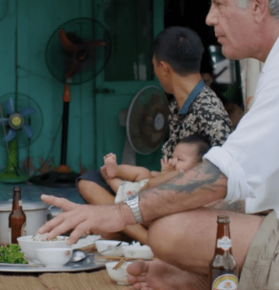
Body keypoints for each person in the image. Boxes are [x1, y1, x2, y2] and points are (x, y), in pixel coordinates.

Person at [39, 0, 279, 290]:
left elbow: (222, 176)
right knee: (173, 214)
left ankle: (211, 280)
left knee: (171, 231)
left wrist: (118, 213)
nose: (209, 18)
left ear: (258, 5)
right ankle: (211, 278)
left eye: (219, 4)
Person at [77, 26, 231, 244]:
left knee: (116, 215)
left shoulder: (209, 110)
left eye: (154, 67)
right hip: (158, 186)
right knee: (89, 181)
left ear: (164, 68)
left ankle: (145, 238)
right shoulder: (177, 105)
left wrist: (156, 183)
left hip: (186, 198)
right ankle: (132, 229)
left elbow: (219, 177)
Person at [101, 134, 210, 204]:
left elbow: (156, 185)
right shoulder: (175, 172)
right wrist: (163, 173)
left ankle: (110, 179)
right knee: (144, 172)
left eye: (180, 159)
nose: (172, 161)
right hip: (145, 186)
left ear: (199, 166)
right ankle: (116, 170)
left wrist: (165, 175)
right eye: (173, 157)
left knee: (128, 186)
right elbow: (153, 176)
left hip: (139, 196)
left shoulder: (184, 176)